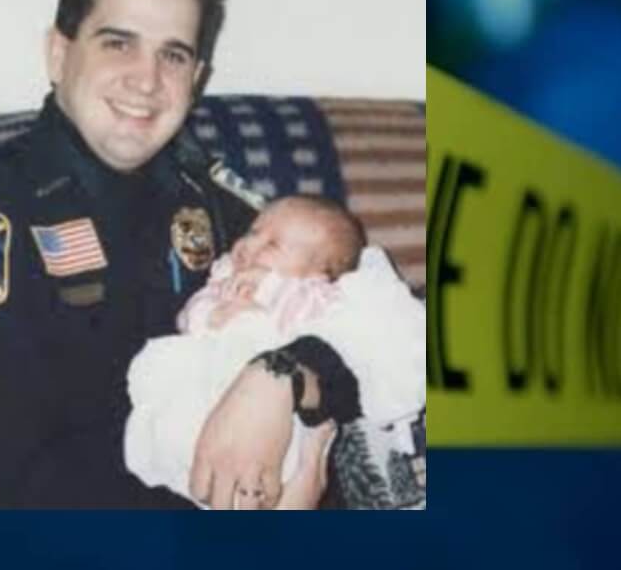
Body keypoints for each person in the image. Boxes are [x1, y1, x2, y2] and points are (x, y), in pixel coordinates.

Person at [0, 0, 366, 509]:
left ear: (197, 77)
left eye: (173, 55)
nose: (147, 80)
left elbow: (369, 316)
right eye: (118, 43)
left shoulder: (215, 201)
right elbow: (18, 473)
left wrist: (287, 376)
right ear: (59, 55)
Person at [125, 196, 426, 508]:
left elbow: (324, 320)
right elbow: (187, 320)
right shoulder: (222, 277)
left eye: (272, 245)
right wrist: (210, 313)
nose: (250, 243)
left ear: (319, 272)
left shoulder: (312, 291)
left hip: (272, 425)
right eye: (253, 232)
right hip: (210, 392)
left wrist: (267, 289)